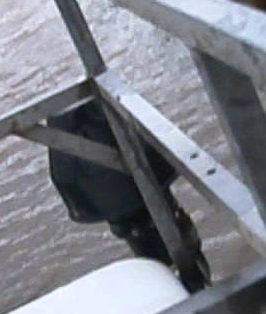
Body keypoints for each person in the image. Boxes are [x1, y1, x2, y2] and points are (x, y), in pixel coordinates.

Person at [46, 102, 206, 275]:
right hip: (132, 192)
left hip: (120, 197)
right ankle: (184, 271)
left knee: (155, 243)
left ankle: (178, 271)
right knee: (158, 234)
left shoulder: (67, 123)